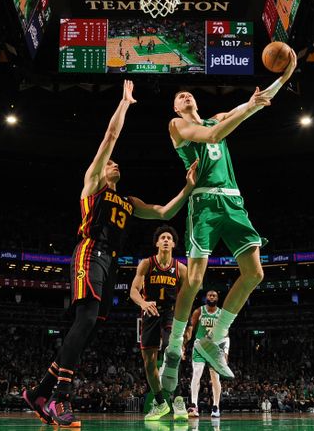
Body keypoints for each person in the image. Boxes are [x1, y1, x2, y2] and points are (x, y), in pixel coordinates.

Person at [24, 80, 198, 428]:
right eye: (110, 164)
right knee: (84, 320)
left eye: (117, 164)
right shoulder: (92, 185)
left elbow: (163, 212)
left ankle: (40, 391)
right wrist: (124, 104)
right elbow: (109, 139)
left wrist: (188, 187)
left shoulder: (128, 202)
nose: (114, 164)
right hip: (90, 251)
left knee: (87, 327)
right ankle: (60, 397)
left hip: (111, 264)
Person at [160, 50, 297, 391]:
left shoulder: (217, 117)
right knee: (193, 281)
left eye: (188, 93)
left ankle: (214, 339)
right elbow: (213, 136)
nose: (185, 96)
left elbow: (259, 100)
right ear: (176, 108)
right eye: (179, 97)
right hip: (204, 203)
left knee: (255, 273)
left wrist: (285, 75)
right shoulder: (178, 125)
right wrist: (248, 108)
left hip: (233, 201)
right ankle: (176, 345)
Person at [129, 225, 188, 421]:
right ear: (156, 243)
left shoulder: (181, 268)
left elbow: (187, 297)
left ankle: (179, 400)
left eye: (169, 238)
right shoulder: (146, 264)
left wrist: (185, 326)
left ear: (173, 244)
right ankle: (161, 402)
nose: (165, 240)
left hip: (171, 313)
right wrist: (144, 303)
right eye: (162, 237)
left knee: (172, 353)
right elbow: (133, 291)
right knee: (149, 364)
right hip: (150, 314)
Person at [185, 290, 229, 418]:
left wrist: (225, 352)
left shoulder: (221, 314)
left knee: (215, 378)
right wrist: (183, 344)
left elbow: (226, 334)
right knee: (197, 373)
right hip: (200, 345)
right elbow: (190, 329)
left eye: (214, 295)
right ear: (206, 298)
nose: (211, 297)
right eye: (210, 295)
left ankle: (216, 407)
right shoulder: (199, 311)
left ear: (217, 298)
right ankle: (193, 405)